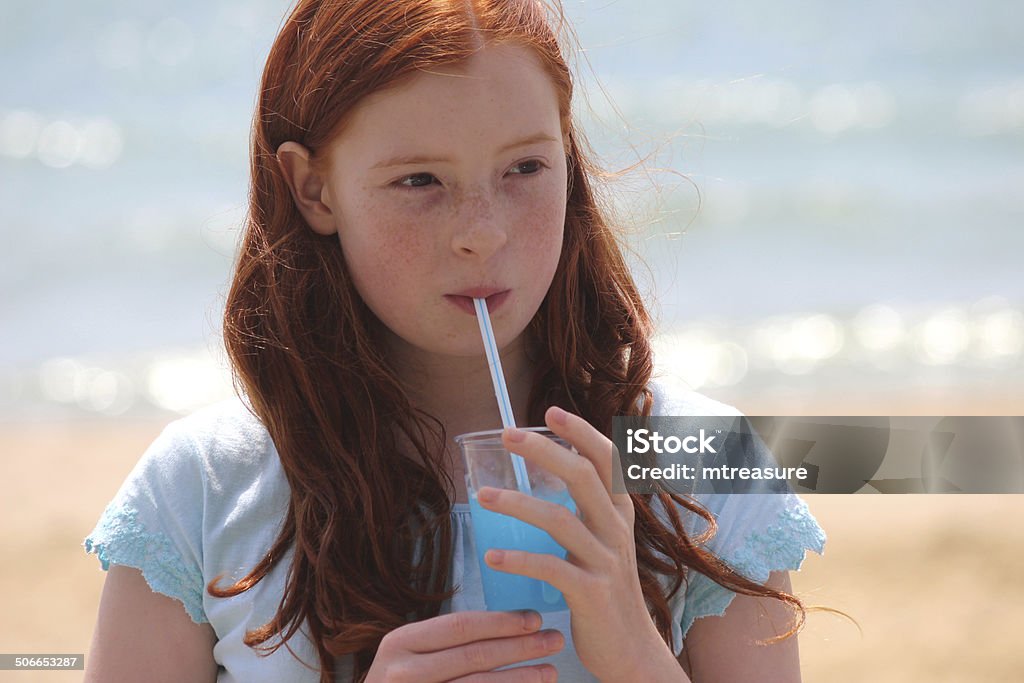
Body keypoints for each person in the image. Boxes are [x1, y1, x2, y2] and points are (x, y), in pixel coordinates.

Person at [82, 1, 826, 681]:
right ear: (314, 190)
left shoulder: (704, 461)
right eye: (419, 182)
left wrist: (636, 653)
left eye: (526, 167)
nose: (483, 232)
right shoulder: (200, 490)